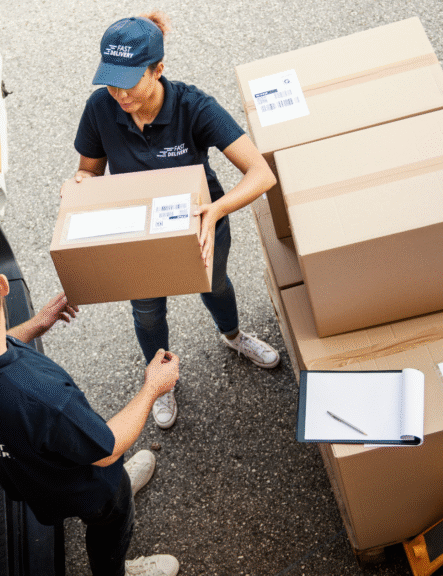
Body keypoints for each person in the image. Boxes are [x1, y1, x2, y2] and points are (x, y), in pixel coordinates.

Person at [0, 231, 181, 576]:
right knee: (112, 519)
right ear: (3, 286)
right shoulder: (43, 397)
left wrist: (35, 325)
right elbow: (108, 449)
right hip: (91, 484)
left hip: (27, 475)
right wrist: (153, 388)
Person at [68, 12, 281, 430]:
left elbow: (262, 173)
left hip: (202, 224)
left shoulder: (193, 106)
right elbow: (90, 170)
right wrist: (81, 182)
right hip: (138, 236)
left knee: (216, 286)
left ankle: (235, 337)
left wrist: (216, 210)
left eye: (129, 82)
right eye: (110, 81)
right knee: (147, 313)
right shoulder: (100, 108)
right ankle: (159, 383)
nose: (118, 93)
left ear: (159, 69)